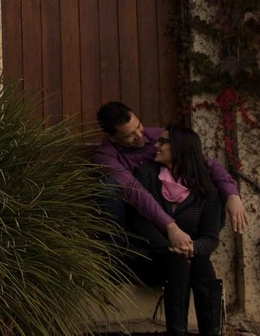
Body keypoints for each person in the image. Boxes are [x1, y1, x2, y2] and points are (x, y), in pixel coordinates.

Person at [93, 101, 246, 258]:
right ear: (111, 137)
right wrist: (170, 226)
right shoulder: (106, 156)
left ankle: (196, 247)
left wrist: (232, 195)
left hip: (176, 209)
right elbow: (135, 192)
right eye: (129, 135)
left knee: (216, 189)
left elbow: (203, 162)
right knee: (108, 187)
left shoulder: (159, 136)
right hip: (138, 217)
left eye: (138, 126)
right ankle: (116, 256)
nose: (139, 136)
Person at [129, 125, 225, 336]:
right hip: (150, 255)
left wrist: (190, 248)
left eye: (164, 142)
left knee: (202, 264)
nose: (156, 146)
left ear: (181, 149)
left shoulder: (208, 189)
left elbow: (210, 238)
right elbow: (139, 221)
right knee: (181, 262)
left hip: (187, 259)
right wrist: (169, 245)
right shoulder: (147, 174)